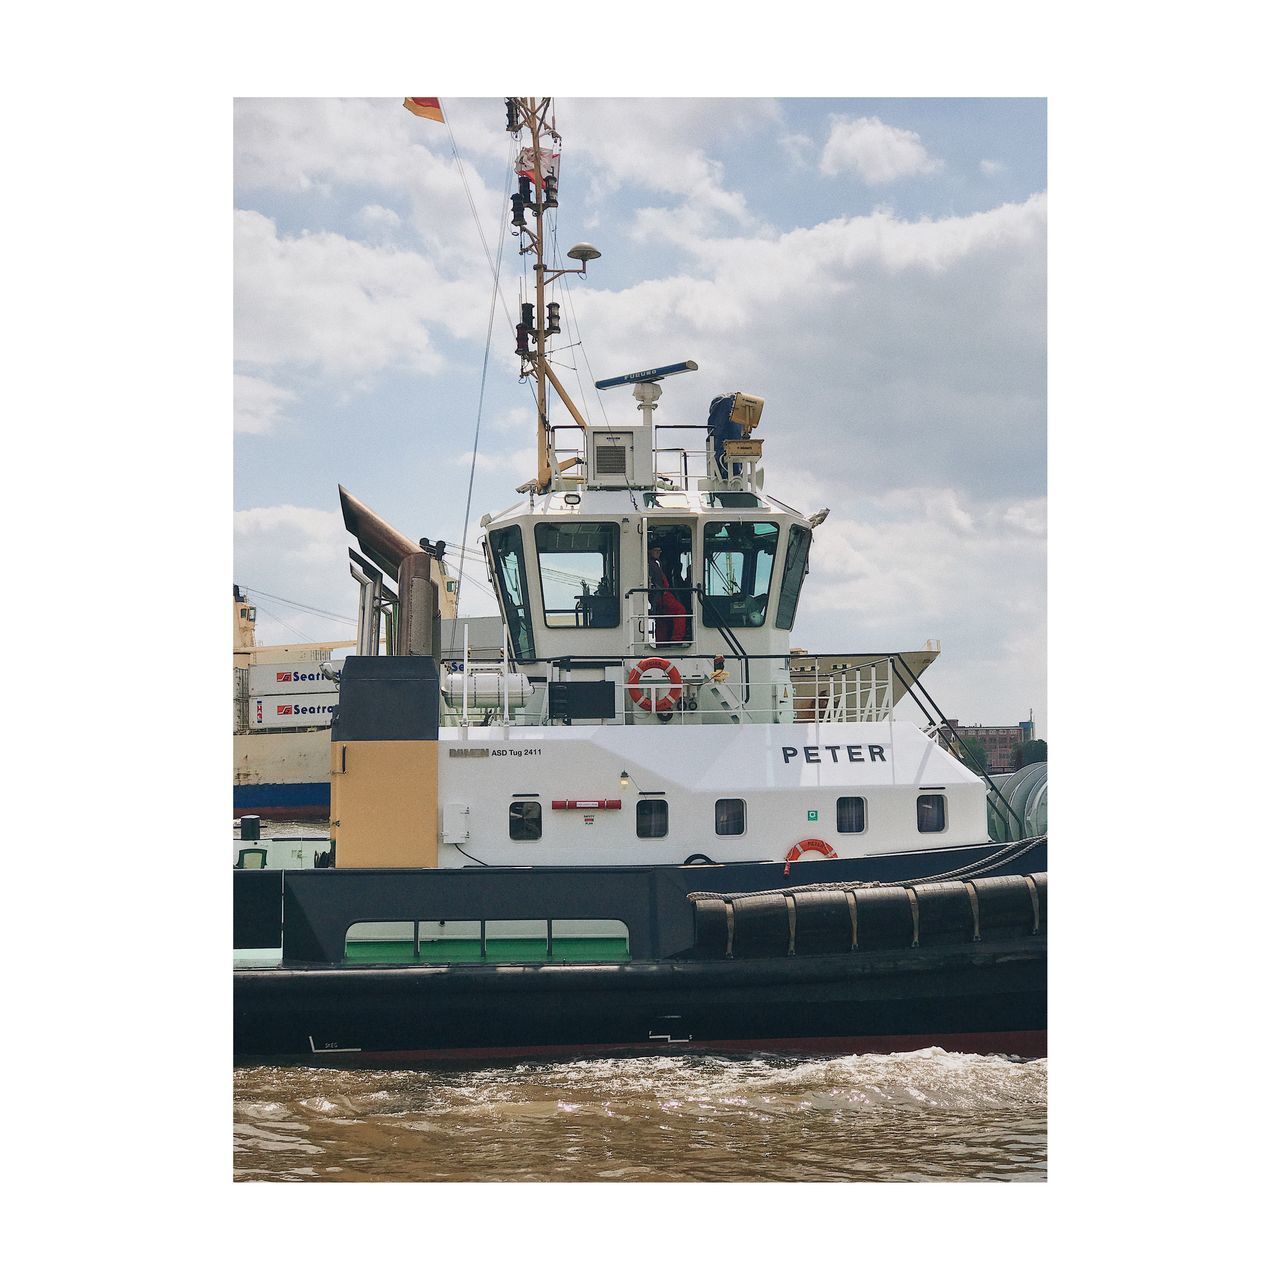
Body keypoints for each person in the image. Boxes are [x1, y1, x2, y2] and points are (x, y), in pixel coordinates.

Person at [648, 543, 688, 644]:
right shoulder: (649, 564)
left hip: (659, 595)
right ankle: (677, 639)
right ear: (649, 551)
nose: (658, 553)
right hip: (660, 594)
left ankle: (661, 643)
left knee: (662, 620)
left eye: (660, 551)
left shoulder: (656, 563)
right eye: (656, 550)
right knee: (680, 610)